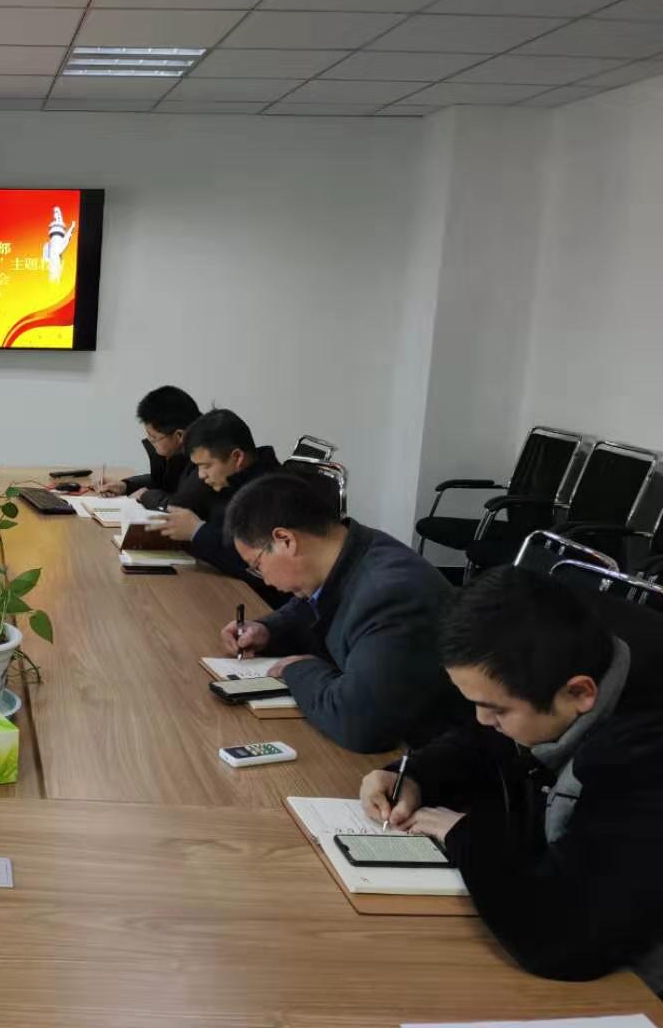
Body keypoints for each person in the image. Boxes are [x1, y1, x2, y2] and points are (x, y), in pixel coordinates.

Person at [359, 567, 663, 992]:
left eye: (496, 710)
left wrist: (467, 837)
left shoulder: (644, 757)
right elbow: (487, 741)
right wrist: (413, 774)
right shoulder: (560, 658)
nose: (483, 720)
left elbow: (564, 939)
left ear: (579, 693)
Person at [220, 473, 464, 752]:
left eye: (257, 565)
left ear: (285, 540)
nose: (264, 580)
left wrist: (298, 669)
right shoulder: (353, 549)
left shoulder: (390, 596)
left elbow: (359, 725)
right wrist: (267, 630)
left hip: (432, 753)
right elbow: (310, 605)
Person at [157, 409, 281, 600]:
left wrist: (197, 532)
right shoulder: (230, 482)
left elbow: (259, 564)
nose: (201, 475)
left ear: (237, 457)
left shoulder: (272, 493)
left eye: (206, 466)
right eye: (197, 466)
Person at [95, 385, 212, 513]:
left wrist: (145, 496)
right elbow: (161, 481)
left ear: (179, 436)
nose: (150, 441)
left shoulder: (204, 459)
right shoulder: (180, 449)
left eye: (154, 437)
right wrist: (126, 485)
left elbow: (181, 506)